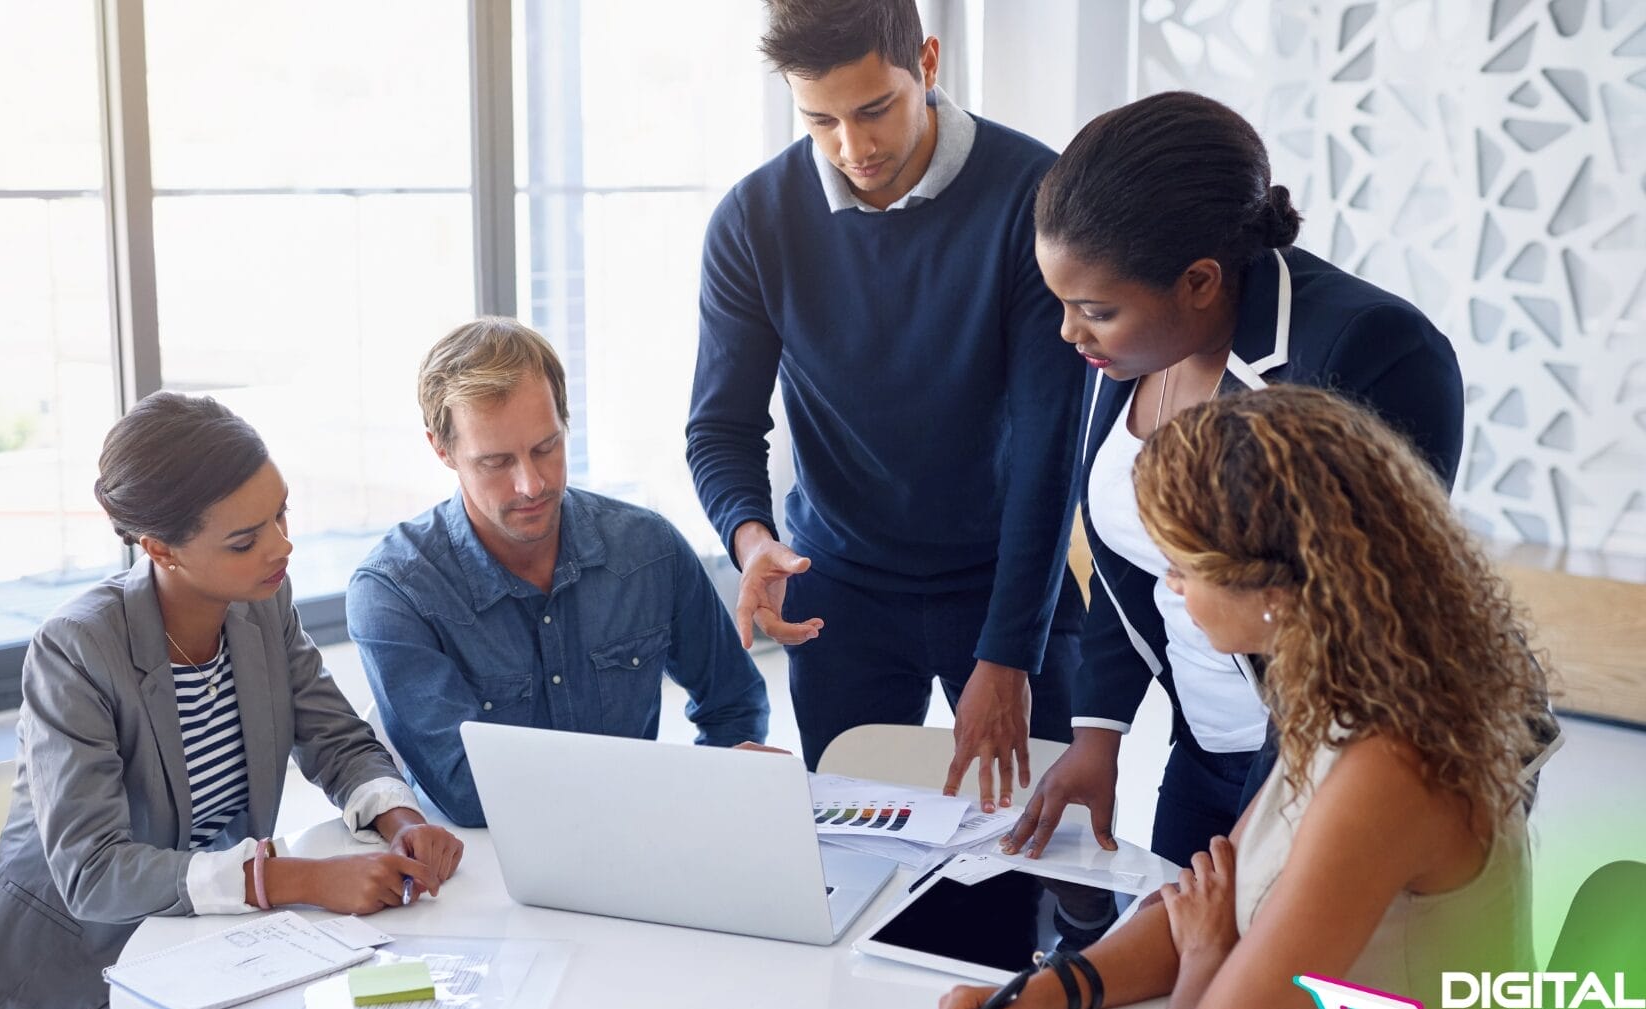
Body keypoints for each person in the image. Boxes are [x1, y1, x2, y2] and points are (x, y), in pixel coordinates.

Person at [935, 386, 1549, 1009]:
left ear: (1274, 595)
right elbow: (1209, 904)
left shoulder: (1390, 770)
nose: (1170, 589)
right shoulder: (1343, 696)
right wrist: (1038, 994)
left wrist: (1207, 954)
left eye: (1182, 568)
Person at [1005, 91, 1465, 867]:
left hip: (1329, 765)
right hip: (1202, 745)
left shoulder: (1371, 352)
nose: (1069, 331)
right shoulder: (1129, 344)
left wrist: (1261, 830)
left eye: (1094, 310)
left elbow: (1349, 627)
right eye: (1064, 304)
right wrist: (1097, 735)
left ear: (1199, 281)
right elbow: (1135, 562)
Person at [0, 392, 463, 1009]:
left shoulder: (261, 602)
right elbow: (94, 872)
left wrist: (401, 819)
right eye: (245, 540)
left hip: (204, 954)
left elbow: (336, 737)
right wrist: (299, 878)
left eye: (281, 514)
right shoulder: (76, 649)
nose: (281, 546)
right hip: (61, 991)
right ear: (160, 549)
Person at [689, 0, 1085, 809]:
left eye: (875, 109)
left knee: (1043, 839)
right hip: (840, 590)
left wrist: (1009, 652)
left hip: (1007, 579)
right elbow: (720, 427)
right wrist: (752, 539)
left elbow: (1050, 447)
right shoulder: (753, 220)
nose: (852, 147)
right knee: (854, 840)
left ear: (927, 64)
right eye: (820, 121)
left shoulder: (1033, 196)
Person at [347, 317, 770, 827]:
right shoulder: (394, 591)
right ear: (442, 449)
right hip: (479, 864)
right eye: (496, 462)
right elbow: (472, 794)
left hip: (632, 845)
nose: (531, 484)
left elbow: (734, 704)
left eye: (546, 447)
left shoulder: (649, 549)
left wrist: (709, 801)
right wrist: (671, 785)